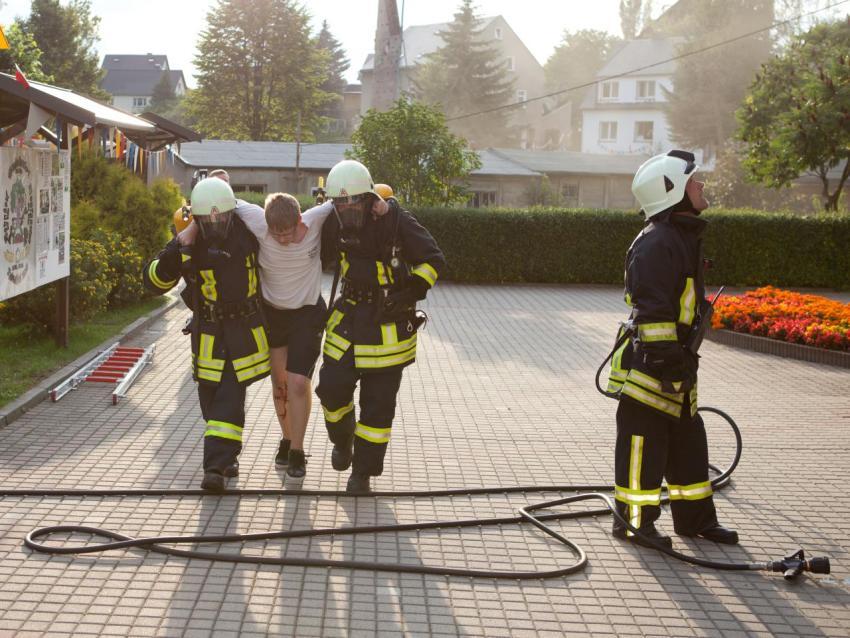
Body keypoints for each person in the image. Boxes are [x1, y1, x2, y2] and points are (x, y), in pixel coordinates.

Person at [179, 174, 387, 485]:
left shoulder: (315, 219)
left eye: (288, 233)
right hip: (272, 316)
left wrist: (384, 204)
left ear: (300, 222)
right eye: (275, 234)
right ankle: (287, 438)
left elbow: (348, 193)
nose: (282, 239)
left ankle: (298, 453)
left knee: (299, 383)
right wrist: (192, 229)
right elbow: (218, 199)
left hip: (306, 315)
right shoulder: (257, 220)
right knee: (280, 386)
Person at [607, 150, 739, 549]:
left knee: (688, 444)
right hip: (653, 367)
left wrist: (680, 363)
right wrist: (668, 363)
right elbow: (652, 310)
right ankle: (633, 524)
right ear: (673, 191)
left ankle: (695, 519)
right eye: (694, 181)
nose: (701, 186)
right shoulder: (657, 243)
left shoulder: (679, 237)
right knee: (642, 448)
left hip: (677, 363)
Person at [316, 160, 446, 493]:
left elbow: (433, 259)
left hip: (387, 327)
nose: (346, 209)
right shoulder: (332, 222)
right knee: (331, 390)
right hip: (346, 320)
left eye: (352, 201)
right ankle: (343, 441)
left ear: (368, 197)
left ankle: (362, 473)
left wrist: (411, 291)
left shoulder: (396, 222)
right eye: (339, 203)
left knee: (378, 407)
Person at [142, 177, 270, 493]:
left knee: (229, 396)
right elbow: (153, 283)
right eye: (208, 219)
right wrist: (178, 243)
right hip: (209, 334)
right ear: (197, 217)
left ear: (231, 212)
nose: (216, 224)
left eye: (221, 217)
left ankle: (214, 468)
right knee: (211, 402)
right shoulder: (191, 240)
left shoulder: (249, 233)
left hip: (243, 332)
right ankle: (227, 457)